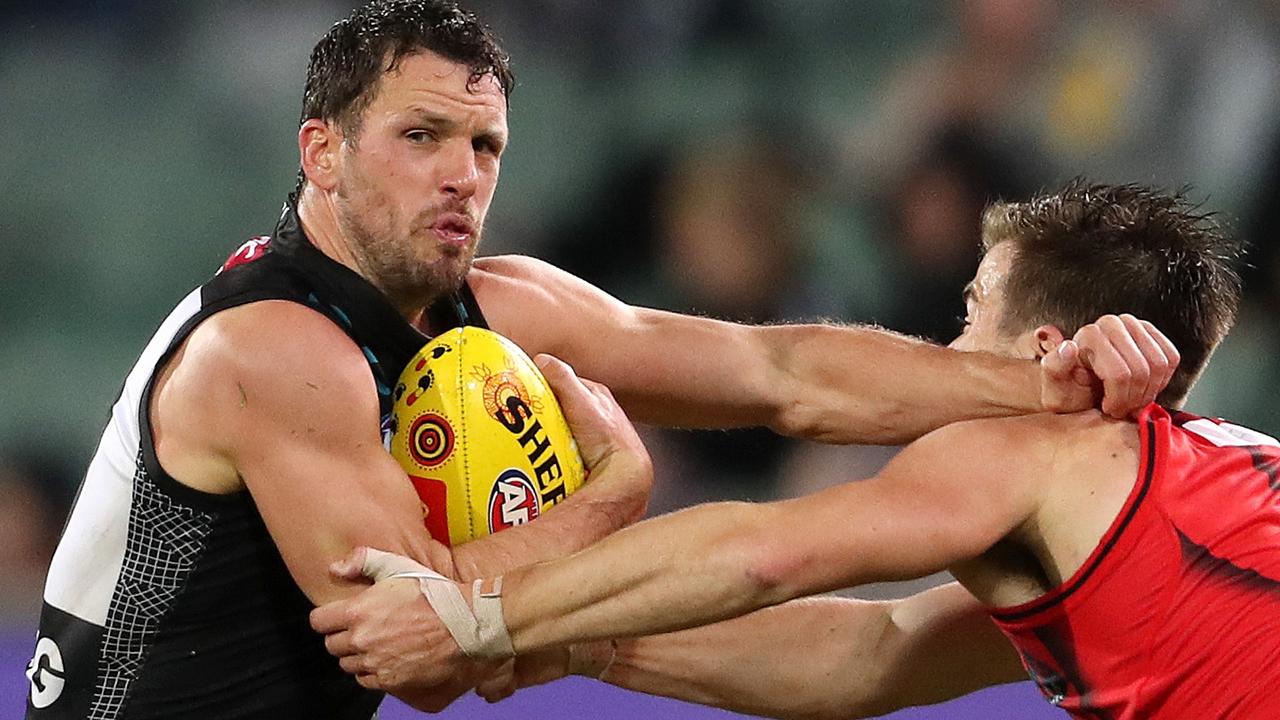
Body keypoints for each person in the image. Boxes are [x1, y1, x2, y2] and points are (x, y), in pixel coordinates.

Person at [24, 1, 1174, 718]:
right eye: (419, 137)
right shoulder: (270, 349)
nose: (460, 174)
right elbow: (416, 662)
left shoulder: (502, 303)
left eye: (483, 145)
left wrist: (1036, 382)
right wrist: (612, 494)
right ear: (321, 153)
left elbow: (782, 375)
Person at [312, 181, 1277, 720]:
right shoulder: (1184, 494)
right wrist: (584, 644)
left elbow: (768, 554)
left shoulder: (1036, 448)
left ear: (1042, 352)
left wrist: (474, 616)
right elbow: (869, 656)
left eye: (968, 315)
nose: (945, 352)